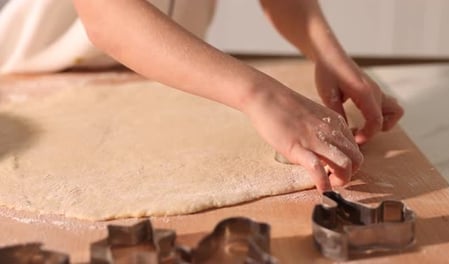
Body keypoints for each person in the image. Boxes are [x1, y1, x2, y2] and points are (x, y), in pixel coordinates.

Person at [5, 0, 405, 192]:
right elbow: (107, 15)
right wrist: (260, 94)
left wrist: (326, 51)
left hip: (178, 79)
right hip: (29, 81)